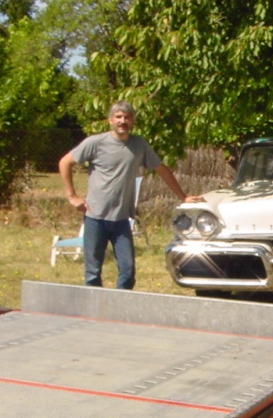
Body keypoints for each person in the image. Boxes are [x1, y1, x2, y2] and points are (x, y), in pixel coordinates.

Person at [59, 101, 199, 289]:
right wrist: (72, 196)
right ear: (110, 120)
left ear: (133, 121)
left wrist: (183, 197)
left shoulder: (139, 145)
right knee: (92, 272)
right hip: (95, 217)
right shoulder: (95, 143)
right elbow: (65, 162)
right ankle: (93, 314)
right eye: (118, 117)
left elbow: (162, 169)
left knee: (128, 270)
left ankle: (119, 308)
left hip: (121, 220)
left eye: (127, 117)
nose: (122, 121)